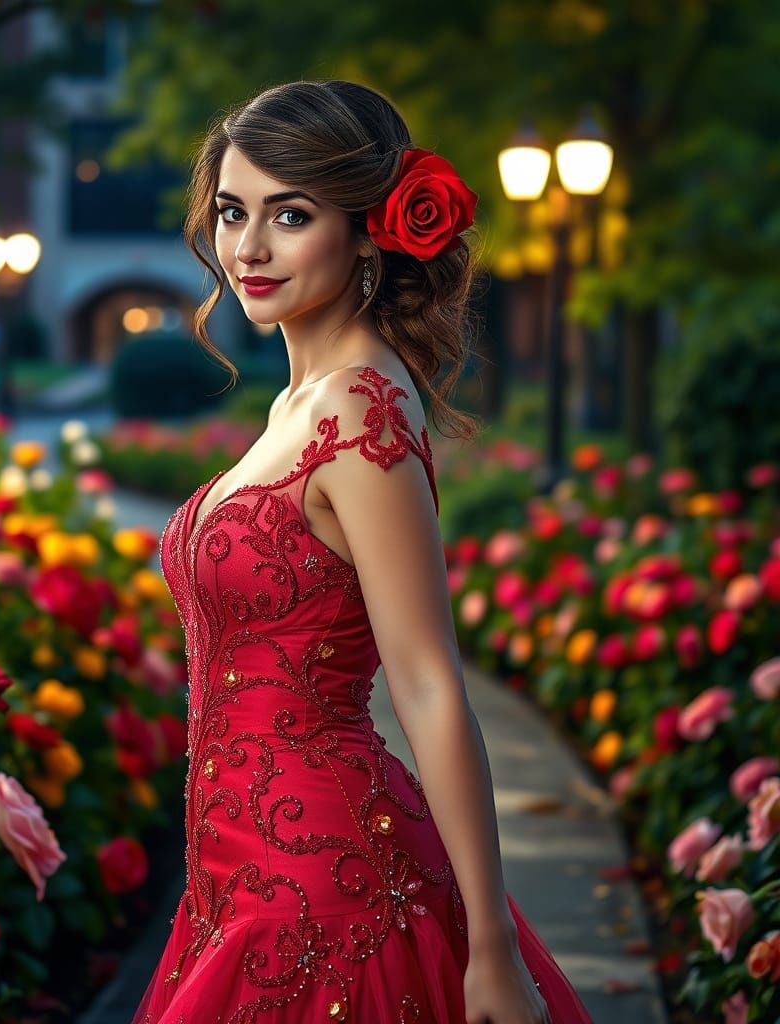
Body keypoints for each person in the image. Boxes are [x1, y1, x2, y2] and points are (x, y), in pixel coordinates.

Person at [135, 80, 593, 1024]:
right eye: (232, 213)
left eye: (290, 215)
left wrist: (492, 949)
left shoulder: (361, 409)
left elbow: (426, 683)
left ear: (369, 231)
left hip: (324, 887)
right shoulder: (300, 402)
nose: (248, 249)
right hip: (240, 869)